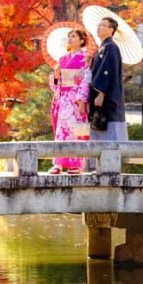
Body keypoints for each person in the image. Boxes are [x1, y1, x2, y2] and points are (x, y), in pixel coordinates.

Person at [48, 29, 92, 175]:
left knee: (77, 130)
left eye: (73, 36)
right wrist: (56, 76)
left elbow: (86, 79)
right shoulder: (62, 59)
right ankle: (58, 163)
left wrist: (82, 100)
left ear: (81, 40)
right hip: (64, 98)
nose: (70, 39)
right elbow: (57, 84)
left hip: (77, 98)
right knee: (61, 131)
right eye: (68, 37)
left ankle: (77, 165)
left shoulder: (86, 58)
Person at [90, 17, 128, 141]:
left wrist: (101, 93)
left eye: (103, 25)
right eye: (99, 25)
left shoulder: (111, 47)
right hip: (100, 95)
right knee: (99, 126)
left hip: (106, 95)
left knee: (108, 128)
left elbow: (108, 71)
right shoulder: (103, 47)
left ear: (111, 30)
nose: (99, 27)